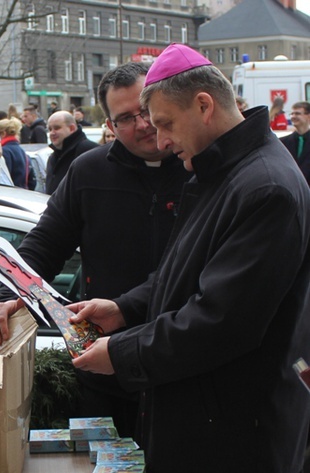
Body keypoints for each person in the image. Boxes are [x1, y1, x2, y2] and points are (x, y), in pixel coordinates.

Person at [68, 43, 310, 472]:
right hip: (209, 418)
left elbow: (221, 321)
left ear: (203, 105)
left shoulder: (264, 187)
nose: (160, 139)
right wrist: (125, 309)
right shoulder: (221, 170)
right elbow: (181, 273)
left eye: (165, 123)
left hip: (235, 436)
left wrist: (122, 354)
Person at [0, 61, 191, 439]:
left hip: (184, 361)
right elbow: (44, 245)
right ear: (109, 125)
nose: (142, 125)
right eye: (125, 118)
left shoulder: (197, 168)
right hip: (106, 368)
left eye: (146, 111)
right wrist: (11, 295)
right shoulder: (89, 172)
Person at [44, 110, 99, 195]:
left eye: (57, 128)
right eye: (50, 129)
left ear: (72, 128)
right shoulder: (54, 156)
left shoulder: (90, 151)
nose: (52, 133)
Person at [0, 117, 35, 189]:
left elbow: (4, 178)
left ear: (3, 133)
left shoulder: (4, 151)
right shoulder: (22, 151)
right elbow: (32, 181)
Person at [280, 101, 310, 184]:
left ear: (308, 116)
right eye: (292, 114)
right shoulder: (282, 142)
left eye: (297, 114)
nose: (293, 116)